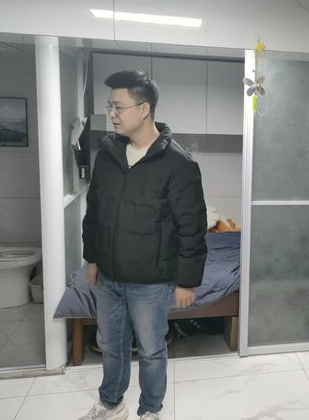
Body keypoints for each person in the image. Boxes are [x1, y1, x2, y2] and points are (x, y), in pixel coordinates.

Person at [80, 70, 207, 420]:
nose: (112, 114)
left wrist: (187, 281)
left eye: (118, 106)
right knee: (111, 346)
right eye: (109, 106)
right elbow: (94, 211)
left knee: (151, 351)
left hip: (150, 281)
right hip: (109, 275)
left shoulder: (178, 163)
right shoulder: (108, 153)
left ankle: (150, 410)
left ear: (144, 108)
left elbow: (192, 226)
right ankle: (111, 404)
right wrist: (91, 257)